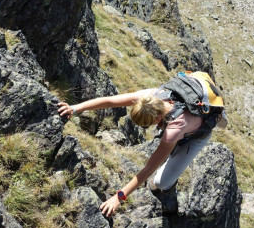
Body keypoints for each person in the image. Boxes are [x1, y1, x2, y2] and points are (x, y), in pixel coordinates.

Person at [57, 73, 226, 217]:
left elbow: (148, 168)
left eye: (147, 125)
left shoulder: (174, 129)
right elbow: (109, 101)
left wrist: (119, 196)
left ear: (158, 118)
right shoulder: (151, 97)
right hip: (194, 93)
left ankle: (178, 156)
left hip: (196, 134)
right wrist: (75, 108)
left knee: (161, 183)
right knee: (168, 148)